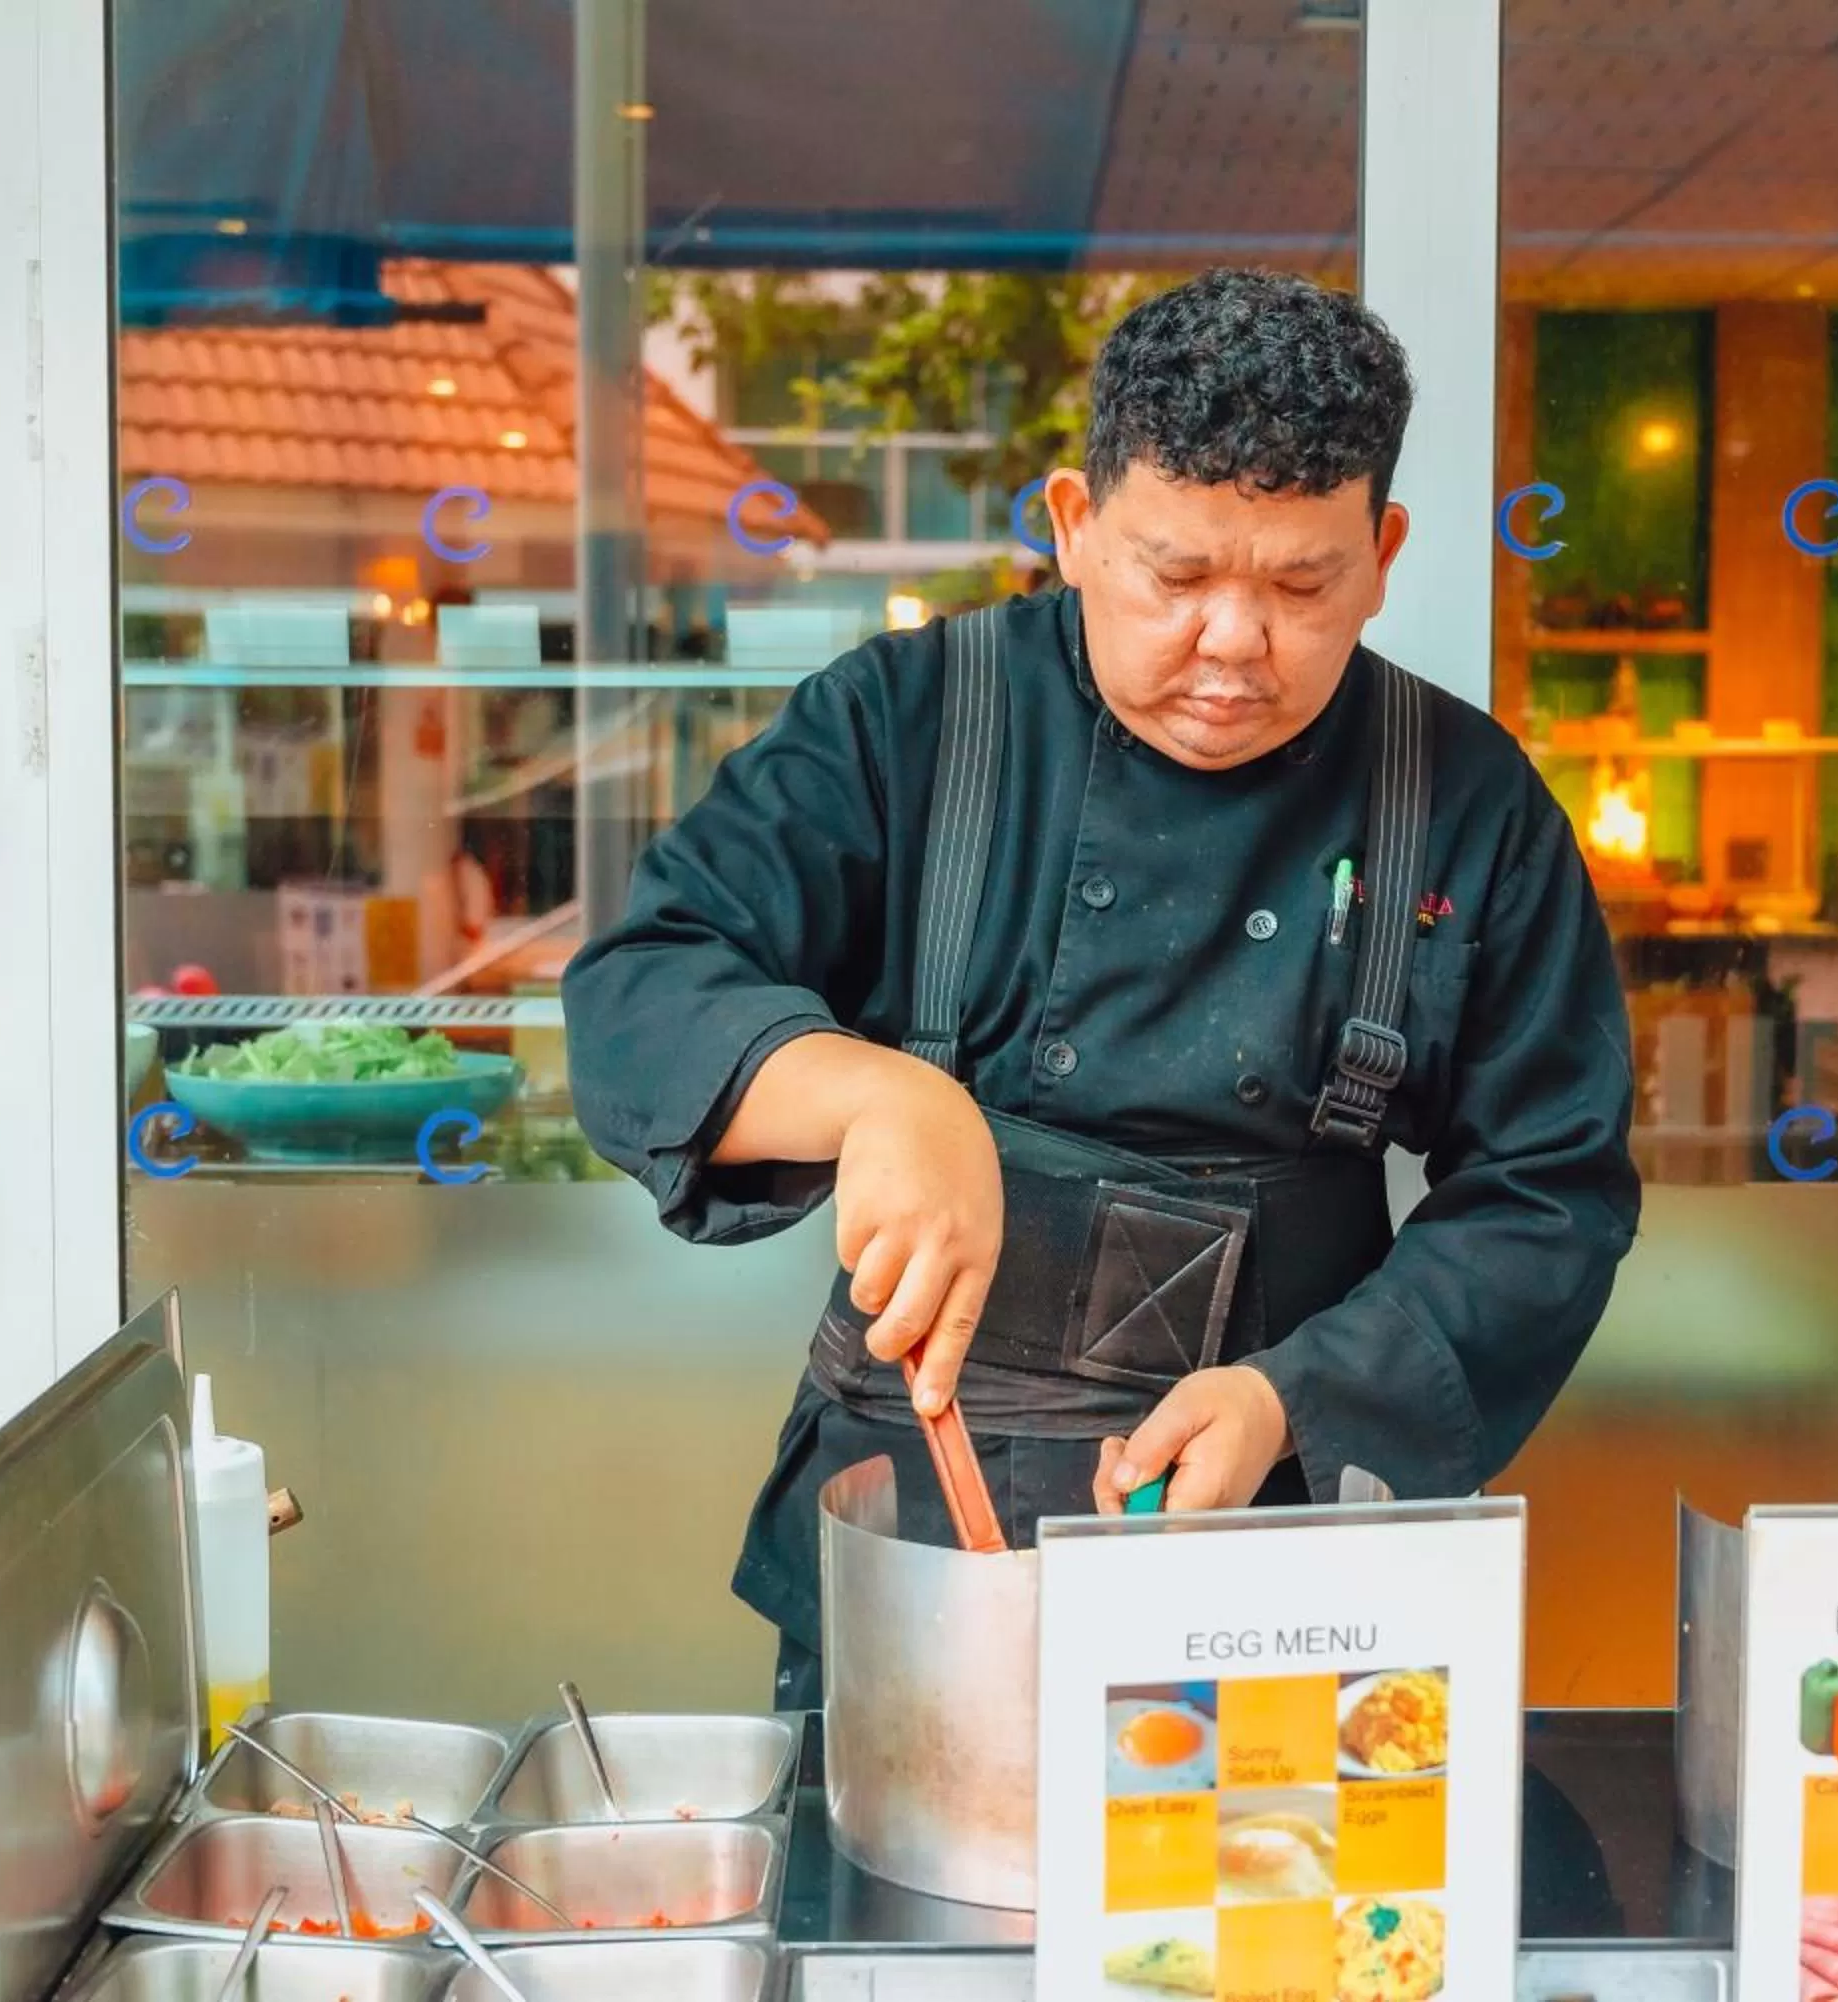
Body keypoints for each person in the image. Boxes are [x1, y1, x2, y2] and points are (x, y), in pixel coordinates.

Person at [564, 269, 1640, 1708]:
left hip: (1278, 1540)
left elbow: (1551, 1186)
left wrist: (1296, 1397)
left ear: (1382, 555)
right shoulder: (907, 723)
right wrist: (874, 1095)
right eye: (1175, 577)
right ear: (1074, 525)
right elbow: (640, 989)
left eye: (1302, 584)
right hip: (921, 1525)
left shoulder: (1464, 800)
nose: (1234, 641)